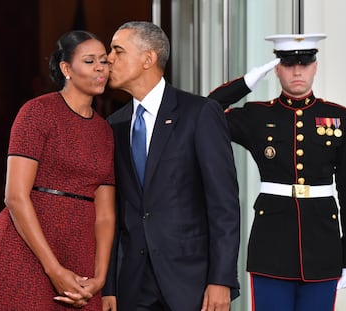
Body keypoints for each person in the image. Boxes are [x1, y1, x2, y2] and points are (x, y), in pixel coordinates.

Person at [208, 33, 346, 311]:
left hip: (323, 247)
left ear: (315, 67)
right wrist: (247, 82)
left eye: (305, 64)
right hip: (271, 247)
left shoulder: (340, 118)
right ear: (277, 69)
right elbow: (206, 113)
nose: (297, 71)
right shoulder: (257, 116)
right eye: (289, 64)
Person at [0, 30, 116, 310]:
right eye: (89, 61)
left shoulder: (105, 131)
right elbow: (15, 196)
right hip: (25, 248)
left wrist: (100, 276)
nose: (100, 68)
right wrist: (54, 269)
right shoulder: (37, 112)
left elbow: (106, 214)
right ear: (66, 68)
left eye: (104, 61)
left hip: (80, 251)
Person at [101, 21, 241, 311]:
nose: (108, 59)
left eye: (118, 51)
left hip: (191, 281)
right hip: (133, 283)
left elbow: (223, 205)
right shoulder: (113, 125)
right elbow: (115, 211)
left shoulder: (200, 113)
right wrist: (109, 286)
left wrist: (222, 279)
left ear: (148, 59)